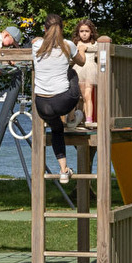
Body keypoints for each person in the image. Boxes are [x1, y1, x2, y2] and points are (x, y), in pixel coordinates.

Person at [31, 14, 85, 184]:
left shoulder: (37, 45)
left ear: (45, 29)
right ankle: (72, 117)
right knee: (72, 73)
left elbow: (35, 40)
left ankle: (63, 170)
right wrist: (81, 48)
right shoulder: (68, 45)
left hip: (41, 104)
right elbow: (81, 62)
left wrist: (40, 37)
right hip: (63, 101)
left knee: (56, 131)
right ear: (62, 29)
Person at [71, 19, 100, 130]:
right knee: (78, 96)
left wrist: (86, 48)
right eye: (81, 31)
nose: (84, 33)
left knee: (88, 94)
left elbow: (97, 50)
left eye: (86, 31)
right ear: (78, 32)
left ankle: (89, 119)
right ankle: (77, 117)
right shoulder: (75, 44)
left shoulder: (95, 44)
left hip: (90, 69)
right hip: (79, 69)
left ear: (91, 32)